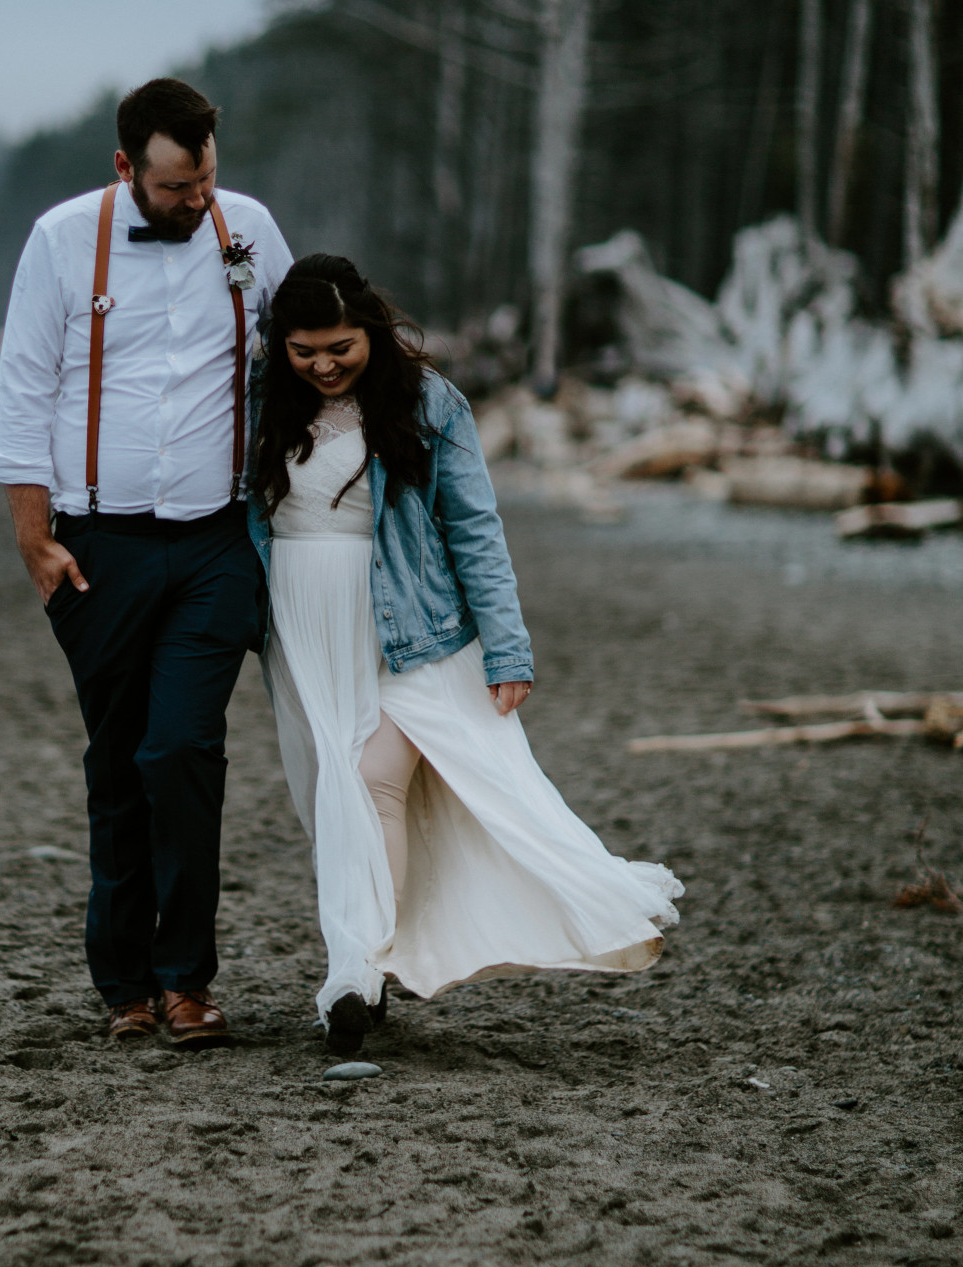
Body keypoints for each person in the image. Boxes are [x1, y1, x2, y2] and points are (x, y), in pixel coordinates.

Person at [248, 254, 682, 1057]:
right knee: (329, 800)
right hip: (302, 628)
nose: (323, 365)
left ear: (371, 328)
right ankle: (365, 966)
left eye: (340, 347)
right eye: (303, 351)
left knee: (371, 780)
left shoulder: (427, 402)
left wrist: (507, 646)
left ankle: (357, 974)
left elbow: (476, 528)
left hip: (414, 629)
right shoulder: (263, 400)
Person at [0, 78, 293, 1047]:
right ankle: (121, 979)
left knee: (181, 753)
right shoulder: (59, 240)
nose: (194, 201)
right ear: (125, 168)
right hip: (98, 548)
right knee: (118, 761)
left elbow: (297, 355)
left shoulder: (244, 228)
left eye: (203, 178)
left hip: (214, 543)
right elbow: (25, 388)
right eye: (172, 186)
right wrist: (35, 539)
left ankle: (186, 979)